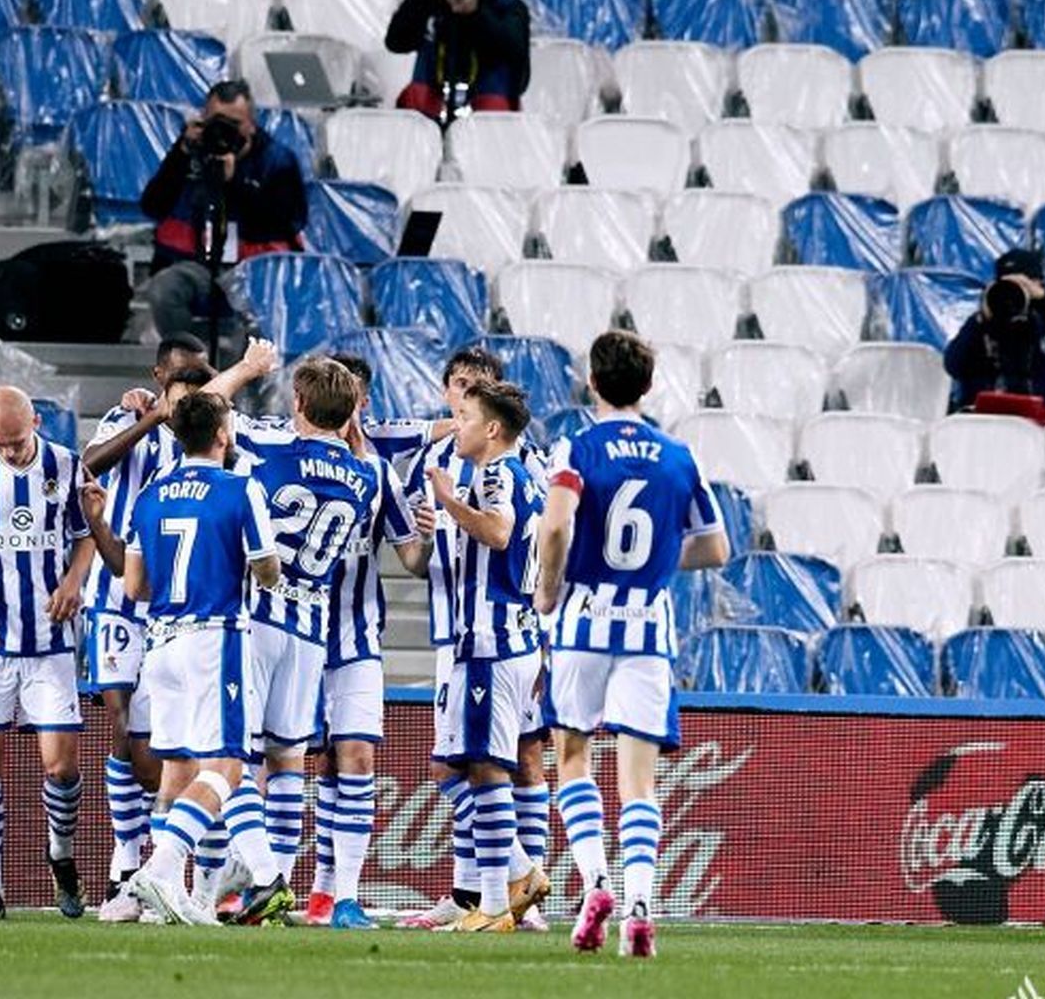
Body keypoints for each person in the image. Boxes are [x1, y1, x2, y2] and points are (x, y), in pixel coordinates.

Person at [533, 330, 731, 959]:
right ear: (648, 386)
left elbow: (558, 523)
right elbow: (717, 547)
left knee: (571, 758)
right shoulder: (679, 456)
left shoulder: (578, 446)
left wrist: (547, 588)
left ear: (592, 382)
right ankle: (642, 905)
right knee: (639, 782)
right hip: (649, 625)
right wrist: (659, 564)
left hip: (583, 618)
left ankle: (595, 882)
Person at [191, 348, 385, 923]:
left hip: (256, 617)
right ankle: (269, 887)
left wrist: (249, 370)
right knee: (288, 763)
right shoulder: (367, 474)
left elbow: (204, 409)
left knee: (235, 756)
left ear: (297, 402)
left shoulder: (268, 445)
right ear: (352, 412)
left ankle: (249, 880)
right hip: (311, 629)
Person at [81, 390, 284, 926]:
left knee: (177, 772)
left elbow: (135, 584)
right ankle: (162, 869)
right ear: (222, 435)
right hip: (213, 638)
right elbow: (267, 570)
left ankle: (169, 899)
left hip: (160, 645)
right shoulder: (241, 487)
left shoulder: (151, 492)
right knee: (227, 765)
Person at [398, 348, 552, 933]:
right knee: (458, 765)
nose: (455, 426)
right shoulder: (526, 472)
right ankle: (509, 881)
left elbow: (498, 530)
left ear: (491, 428)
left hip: (489, 640)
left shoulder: (497, 472)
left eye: (465, 419)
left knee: (481, 769)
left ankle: (498, 898)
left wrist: (449, 501)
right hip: (502, 639)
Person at [0, 386, 97, 922]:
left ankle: (61, 854)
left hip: (51, 641)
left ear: (36, 419)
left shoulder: (66, 465)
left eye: (16, 440)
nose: (8, 452)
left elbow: (86, 537)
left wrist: (75, 581)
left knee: (60, 767)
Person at [78, 334, 215, 919]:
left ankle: (158, 863)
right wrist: (148, 420)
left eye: (198, 377)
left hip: (167, 601)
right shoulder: (127, 415)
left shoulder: (211, 432)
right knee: (118, 721)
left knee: (153, 737)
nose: (187, 387)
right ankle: (124, 856)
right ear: (160, 375)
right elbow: (90, 464)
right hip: (113, 594)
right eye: (179, 376)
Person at [303, 354, 436, 930]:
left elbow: (410, 558)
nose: (352, 408)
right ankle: (284, 888)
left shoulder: (379, 473)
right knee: (285, 763)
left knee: (355, 759)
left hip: (356, 639)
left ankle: (342, 895)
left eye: (359, 397)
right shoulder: (289, 455)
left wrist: (426, 538)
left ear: (365, 402)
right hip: (295, 635)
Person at [140, 80, 307, 344]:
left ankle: (248, 380)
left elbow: (286, 221)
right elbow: (152, 205)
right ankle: (190, 365)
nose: (226, 130)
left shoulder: (278, 159)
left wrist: (235, 182)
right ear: (204, 118)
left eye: (235, 123)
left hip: (255, 269)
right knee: (164, 288)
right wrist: (181, 152)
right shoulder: (192, 152)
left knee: (261, 316)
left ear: (251, 123)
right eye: (219, 120)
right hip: (200, 263)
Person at [385, 0, 532, 120]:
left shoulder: (508, 7)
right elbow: (396, 42)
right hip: (429, 120)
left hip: (486, 126)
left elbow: (516, 57)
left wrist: (474, 13)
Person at [943, 248, 1045, 417]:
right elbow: (953, 365)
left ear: (1040, 283)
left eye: (1023, 285)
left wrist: (1044, 299)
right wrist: (980, 320)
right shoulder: (988, 322)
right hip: (1004, 424)